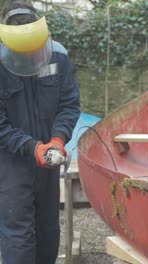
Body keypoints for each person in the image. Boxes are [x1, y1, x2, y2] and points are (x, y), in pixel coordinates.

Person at [0, 1, 80, 263]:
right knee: (18, 234)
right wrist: (30, 146)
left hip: (49, 156)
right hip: (10, 161)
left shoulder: (58, 57)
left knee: (47, 231)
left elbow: (68, 104)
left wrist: (58, 138)